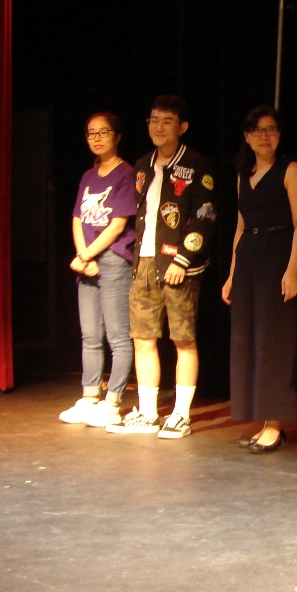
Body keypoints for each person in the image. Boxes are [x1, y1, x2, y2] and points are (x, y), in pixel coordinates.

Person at [106, 96, 217, 439]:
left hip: (179, 265)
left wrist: (183, 259)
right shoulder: (142, 164)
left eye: (167, 121)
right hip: (144, 261)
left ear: (182, 127)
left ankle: (181, 415)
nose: (158, 127)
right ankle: (148, 412)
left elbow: (205, 217)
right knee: (143, 338)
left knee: (183, 339)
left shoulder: (196, 165)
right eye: (153, 120)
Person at [223, 105, 297, 453]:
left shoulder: (290, 169)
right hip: (248, 256)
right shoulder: (244, 173)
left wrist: (292, 269)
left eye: (271, 129)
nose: (264, 136)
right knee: (248, 340)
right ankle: (261, 422)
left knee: (273, 341)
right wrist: (231, 275)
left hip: (277, 255)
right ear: (247, 136)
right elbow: (240, 226)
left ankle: (275, 425)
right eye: (257, 130)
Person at [59, 113, 137, 428]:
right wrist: (83, 256)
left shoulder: (126, 173)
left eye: (104, 132)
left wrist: (89, 254)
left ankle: (113, 401)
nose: (97, 138)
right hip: (87, 260)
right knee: (90, 335)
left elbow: (118, 224)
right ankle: (90, 396)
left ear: (117, 136)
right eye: (91, 133)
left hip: (113, 260)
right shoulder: (88, 176)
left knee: (117, 336)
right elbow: (78, 218)